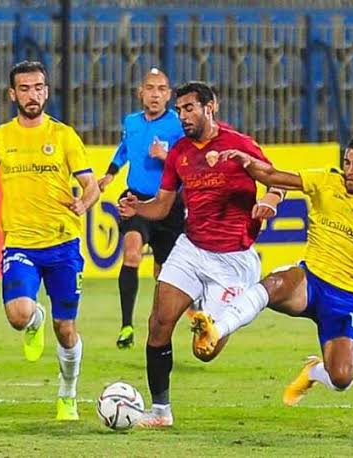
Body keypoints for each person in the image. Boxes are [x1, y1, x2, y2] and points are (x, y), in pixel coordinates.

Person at [191, 123, 353, 407]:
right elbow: (273, 176)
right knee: (273, 284)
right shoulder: (328, 180)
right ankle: (216, 329)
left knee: (341, 378)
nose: (350, 171)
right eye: (347, 162)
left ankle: (314, 371)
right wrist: (246, 161)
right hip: (309, 281)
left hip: (346, 297)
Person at [118, 81, 285, 427]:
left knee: (203, 351)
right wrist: (138, 208)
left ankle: (229, 313)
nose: (183, 116)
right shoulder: (179, 152)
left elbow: (276, 180)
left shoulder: (239, 144)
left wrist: (269, 201)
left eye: (190, 108)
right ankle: (160, 412)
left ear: (211, 107)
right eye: (179, 110)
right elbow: (162, 206)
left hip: (234, 260)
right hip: (192, 249)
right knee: (158, 323)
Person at [0, 60, 99, 421]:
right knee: (18, 315)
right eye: (24, 89)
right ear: (13, 94)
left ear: (47, 91)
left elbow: (90, 185)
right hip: (20, 244)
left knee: (66, 329)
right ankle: (34, 318)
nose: (32, 95)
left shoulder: (63, 136)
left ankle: (67, 394)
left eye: (38, 87)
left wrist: (83, 203)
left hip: (63, 244)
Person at [97, 68, 185, 350]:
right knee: (132, 252)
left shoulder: (178, 125)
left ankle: (160, 325)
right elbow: (124, 149)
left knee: (163, 274)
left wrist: (165, 156)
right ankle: (126, 326)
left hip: (168, 204)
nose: (155, 94)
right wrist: (110, 174)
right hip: (137, 200)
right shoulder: (131, 122)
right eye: (150, 88)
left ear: (168, 95)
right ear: (140, 93)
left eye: (161, 89)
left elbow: (189, 162)